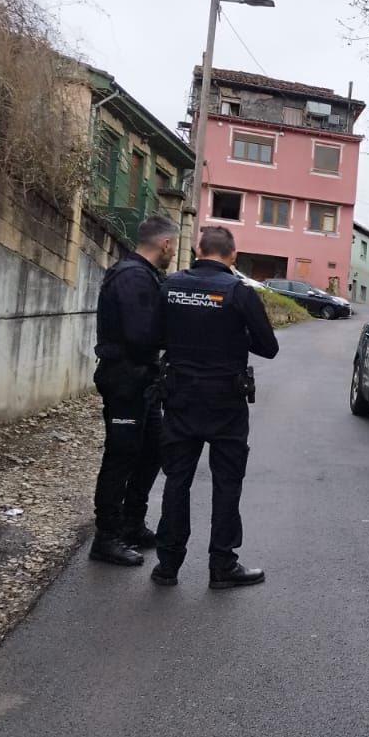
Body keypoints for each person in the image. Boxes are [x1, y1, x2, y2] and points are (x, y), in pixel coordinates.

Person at [151, 225, 278, 589]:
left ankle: (167, 566)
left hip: (179, 397)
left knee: (177, 480)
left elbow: (156, 335)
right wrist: (235, 334)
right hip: (226, 402)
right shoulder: (239, 292)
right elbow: (268, 347)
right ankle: (222, 565)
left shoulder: (170, 286)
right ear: (233, 255)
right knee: (226, 483)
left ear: (197, 250)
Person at [90, 213, 178, 567]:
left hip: (142, 382)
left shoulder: (142, 275)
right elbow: (140, 336)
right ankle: (106, 537)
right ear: (165, 244)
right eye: (174, 246)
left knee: (152, 450)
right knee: (121, 456)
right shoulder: (133, 278)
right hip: (125, 380)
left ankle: (131, 524)